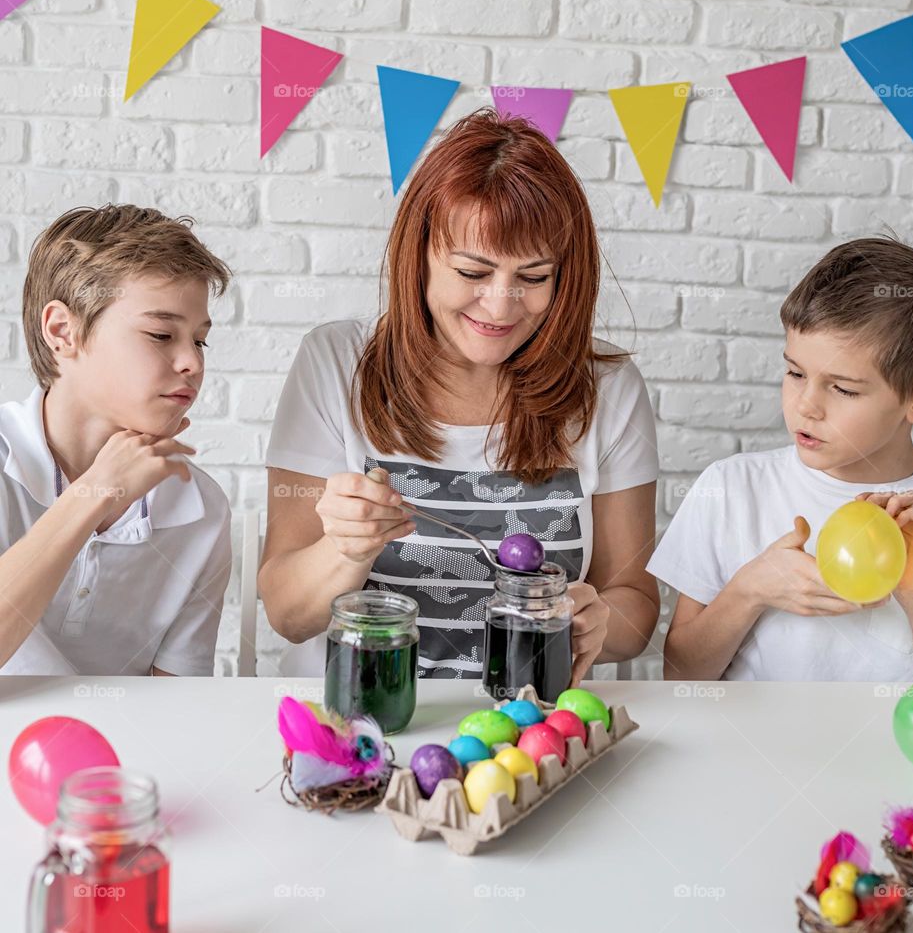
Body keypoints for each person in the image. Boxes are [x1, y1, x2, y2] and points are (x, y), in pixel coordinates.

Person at [260, 108, 660, 682]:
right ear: (419, 255)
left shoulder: (609, 387)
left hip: (526, 720)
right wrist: (346, 550)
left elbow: (635, 608)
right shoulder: (336, 364)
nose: (500, 305)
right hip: (357, 714)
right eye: (473, 272)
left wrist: (596, 622)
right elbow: (286, 614)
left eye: (534, 277)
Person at [648, 237, 913, 681]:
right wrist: (751, 589)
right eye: (795, 372)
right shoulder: (732, 488)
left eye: (843, 388)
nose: (805, 405)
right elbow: (681, 676)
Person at [0, 204, 232, 675]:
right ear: (62, 331)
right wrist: (95, 492)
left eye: (199, 340)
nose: (193, 362)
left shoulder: (201, 509)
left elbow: (174, 697)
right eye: (161, 334)